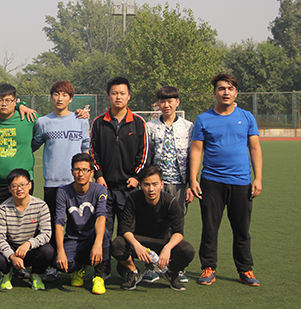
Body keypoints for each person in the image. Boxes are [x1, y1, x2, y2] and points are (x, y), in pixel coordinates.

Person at [189, 73, 263, 287]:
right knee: (210, 228)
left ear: (236, 93)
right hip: (211, 182)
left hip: (241, 182)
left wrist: (258, 178)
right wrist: (193, 179)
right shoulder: (203, 119)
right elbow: (197, 150)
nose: (226, 92)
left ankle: (245, 270)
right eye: (222, 88)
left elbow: (255, 148)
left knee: (241, 229)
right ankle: (208, 268)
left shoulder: (247, 117)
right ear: (214, 93)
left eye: (230, 88)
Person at [31, 80, 90, 282]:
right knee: (52, 226)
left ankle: (78, 266)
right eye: (56, 94)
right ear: (51, 97)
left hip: (76, 183)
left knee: (77, 226)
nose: (60, 98)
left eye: (64, 95)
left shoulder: (81, 120)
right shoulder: (43, 122)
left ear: (71, 99)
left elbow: (86, 149)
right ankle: (53, 266)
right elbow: (32, 145)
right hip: (52, 183)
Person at [90, 76, 148, 277]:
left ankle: (125, 269)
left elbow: (143, 153)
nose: (118, 97)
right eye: (114, 93)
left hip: (129, 188)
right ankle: (103, 269)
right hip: (104, 187)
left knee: (127, 231)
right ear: (108, 96)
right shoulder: (99, 122)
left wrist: (136, 176)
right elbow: (93, 152)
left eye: (122, 93)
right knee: (103, 230)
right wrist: (99, 175)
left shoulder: (138, 123)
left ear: (129, 96)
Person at [111, 166, 195, 291]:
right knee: (117, 244)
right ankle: (133, 272)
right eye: (146, 184)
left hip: (163, 242)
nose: (151, 189)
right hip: (140, 242)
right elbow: (125, 228)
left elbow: (178, 232)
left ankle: (171, 272)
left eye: (155, 184)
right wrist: (136, 245)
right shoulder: (133, 199)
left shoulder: (171, 202)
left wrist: (168, 248)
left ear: (162, 185)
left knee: (187, 250)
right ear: (140, 185)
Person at [144, 85, 193, 284]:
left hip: (179, 184)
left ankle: (176, 267)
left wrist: (191, 184)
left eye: (170, 100)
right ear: (158, 104)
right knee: (154, 225)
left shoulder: (188, 127)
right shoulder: (150, 126)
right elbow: (147, 156)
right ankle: (152, 267)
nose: (166, 104)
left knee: (176, 225)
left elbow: (192, 156)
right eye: (162, 101)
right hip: (157, 185)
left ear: (177, 102)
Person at [0, 83, 39, 243]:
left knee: (23, 226)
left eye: (8, 100)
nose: (3, 104)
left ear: (15, 101)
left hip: (22, 185)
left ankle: (22, 256)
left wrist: (79, 114)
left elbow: (53, 122)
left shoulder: (29, 118)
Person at [55, 153, 109, 295]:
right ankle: (79, 268)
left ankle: (98, 276)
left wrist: (98, 243)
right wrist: (60, 251)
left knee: (104, 234)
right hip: (74, 238)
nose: (81, 174)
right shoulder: (63, 191)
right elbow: (59, 221)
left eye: (85, 170)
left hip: (92, 236)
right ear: (72, 171)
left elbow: (101, 216)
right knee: (62, 265)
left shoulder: (100, 190)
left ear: (91, 173)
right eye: (77, 169)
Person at [0, 168, 53, 290]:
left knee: (48, 251)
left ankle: (35, 274)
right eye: (14, 186)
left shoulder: (41, 206)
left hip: (29, 248)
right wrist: (12, 256)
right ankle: (6, 274)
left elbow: (46, 233)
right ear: (9, 189)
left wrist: (29, 244)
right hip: (12, 248)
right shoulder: (2, 209)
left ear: (30, 185)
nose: (19, 189)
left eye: (23, 185)